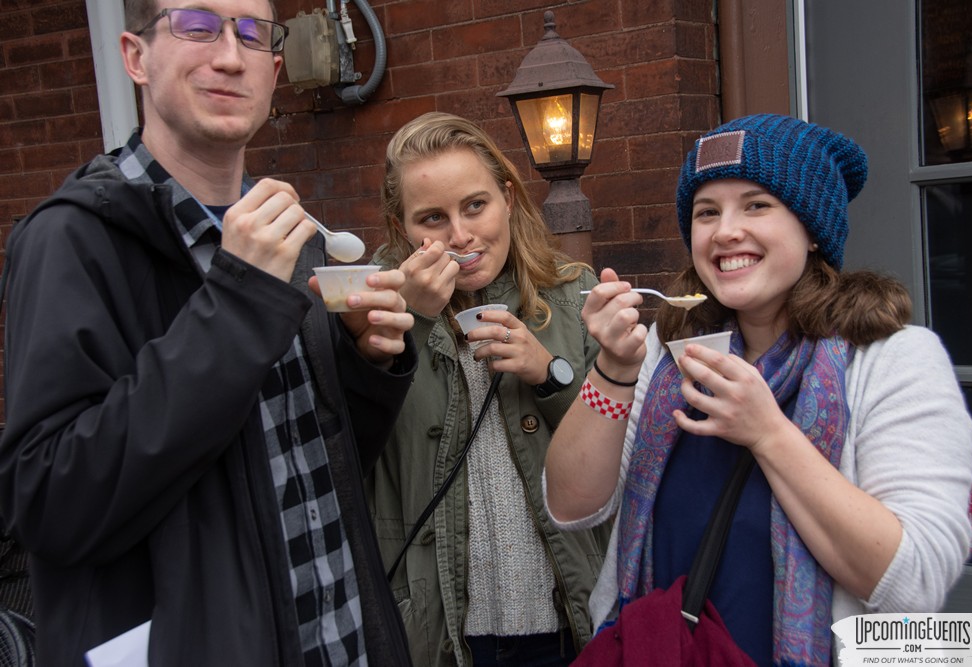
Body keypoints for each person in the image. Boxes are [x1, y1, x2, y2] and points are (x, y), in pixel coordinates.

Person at [0, 1, 418, 664]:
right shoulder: (69, 241)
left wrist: (364, 361)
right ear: (135, 57)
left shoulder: (290, 236)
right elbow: (51, 502)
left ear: (274, 71)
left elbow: (302, 469)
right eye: (196, 24)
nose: (229, 55)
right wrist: (238, 304)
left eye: (252, 33)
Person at [543, 114, 972, 665]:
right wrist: (613, 369)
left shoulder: (893, 359)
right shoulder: (670, 350)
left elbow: (914, 581)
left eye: (756, 205)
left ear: (813, 227)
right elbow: (570, 506)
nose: (726, 231)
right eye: (707, 212)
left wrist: (768, 432)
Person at [367, 111, 609, 666]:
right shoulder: (375, 317)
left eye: (475, 205)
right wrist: (414, 321)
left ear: (507, 198)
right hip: (437, 639)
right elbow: (353, 453)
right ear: (402, 226)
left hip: (567, 627)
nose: (460, 236)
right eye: (432, 217)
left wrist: (549, 373)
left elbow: (620, 462)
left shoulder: (574, 299)